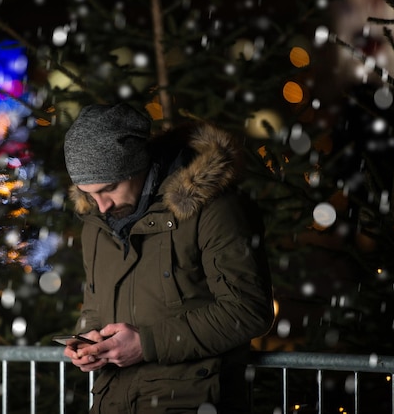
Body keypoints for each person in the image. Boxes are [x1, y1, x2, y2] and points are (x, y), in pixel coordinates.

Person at [62, 103, 274, 413]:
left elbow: (247, 309)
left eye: (109, 188)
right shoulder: (95, 226)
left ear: (138, 164)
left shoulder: (214, 209)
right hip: (112, 403)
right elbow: (95, 306)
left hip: (192, 402)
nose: (101, 205)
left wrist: (147, 344)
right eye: (88, 193)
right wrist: (88, 342)